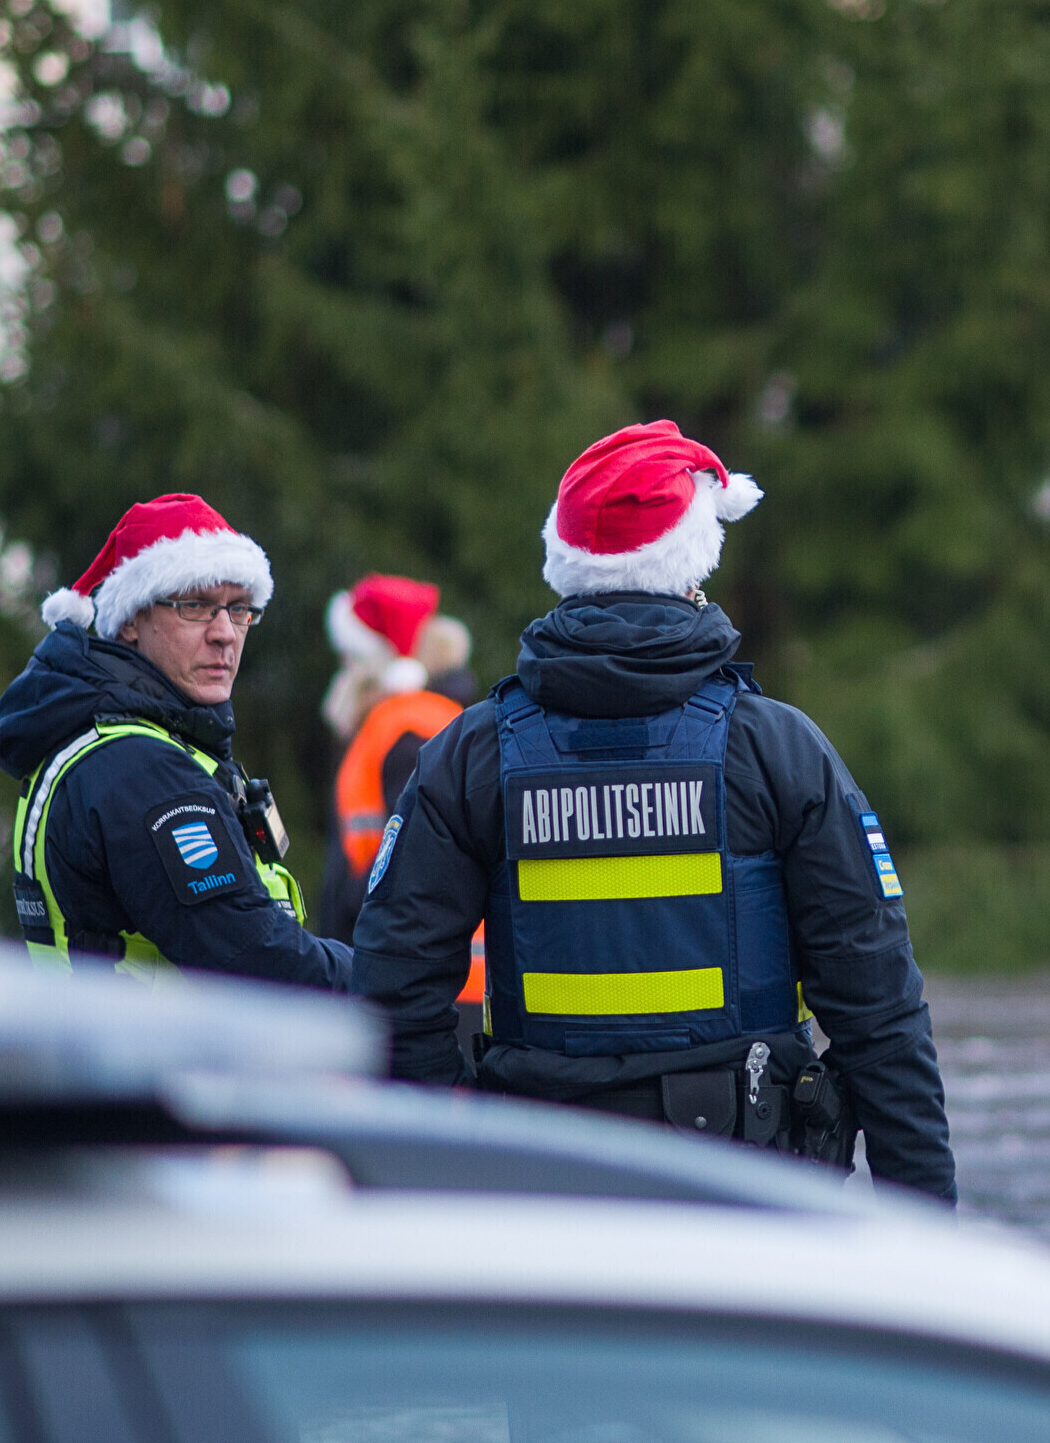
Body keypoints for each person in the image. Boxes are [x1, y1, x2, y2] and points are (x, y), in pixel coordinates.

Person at [351, 422, 957, 1202]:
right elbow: (879, 1009)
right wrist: (924, 1226)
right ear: (692, 563)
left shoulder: (470, 754)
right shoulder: (776, 748)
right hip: (746, 1199)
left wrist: (464, 1166)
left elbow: (391, 992)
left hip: (540, 1199)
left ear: (568, 568)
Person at [0, 493, 349, 988]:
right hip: (158, 1041)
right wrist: (390, 984)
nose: (225, 633)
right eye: (195, 606)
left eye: (238, 609)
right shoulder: (140, 767)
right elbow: (257, 959)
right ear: (130, 621)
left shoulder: (116, 738)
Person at [317, 578, 487, 1040]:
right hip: (438, 978)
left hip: (419, 982)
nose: (344, 670)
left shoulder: (406, 727)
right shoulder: (421, 720)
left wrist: (350, 929)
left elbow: (407, 860)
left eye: (351, 657)